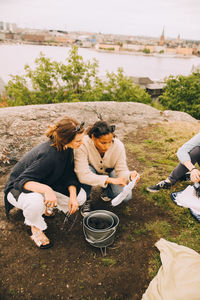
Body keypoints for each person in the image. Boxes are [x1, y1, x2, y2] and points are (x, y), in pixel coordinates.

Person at [4, 116, 86, 249]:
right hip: (17, 190)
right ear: (66, 139)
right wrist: (47, 190)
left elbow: (68, 173)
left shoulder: (67, 148)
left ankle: (46, 207)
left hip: (42, 183)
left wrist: (72, 195)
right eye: (78, 141)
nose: (81, 143)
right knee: (35, 202)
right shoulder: (49, 155)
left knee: (79, 196)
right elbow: (20, 182)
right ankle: (35, 227)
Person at [74, 120, 139, 216]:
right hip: (90, 169)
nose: (107, 146)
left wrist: (129, 176)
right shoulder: (82, 144)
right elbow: (82, 175)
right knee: (83, 177)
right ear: (93, 137)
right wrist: (110, 180)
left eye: (110, 142)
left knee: (127, 197)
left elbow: (122, 170)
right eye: (103, 143)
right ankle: (85, 199)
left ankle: (107, 191)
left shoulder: (118, 146)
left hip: (110, 170)